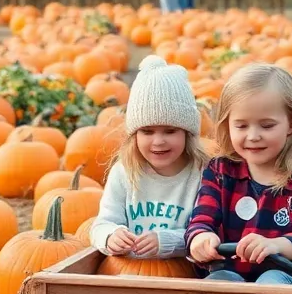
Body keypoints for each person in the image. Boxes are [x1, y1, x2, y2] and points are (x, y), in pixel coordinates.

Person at [185, 63, 292, 285]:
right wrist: (200, 238)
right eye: (241, 126)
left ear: (291, 124)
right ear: (227, 125)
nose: (253, 136)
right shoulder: (219, 171)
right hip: (231, 271)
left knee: (271, 281)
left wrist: (277, 245)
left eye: (266, 126)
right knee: (218, 283)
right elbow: (201, 220)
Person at [90, 55, 210, 260]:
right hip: (126, 278)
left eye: (170, 131)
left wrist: (167, 240)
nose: (158, 141)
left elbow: (207, 234)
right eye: (147, 131)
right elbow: (101, 224)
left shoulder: (201, 175)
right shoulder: (124, 172)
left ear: (187, 133)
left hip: (180, 281)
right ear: (134, 135)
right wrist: (111, 236)